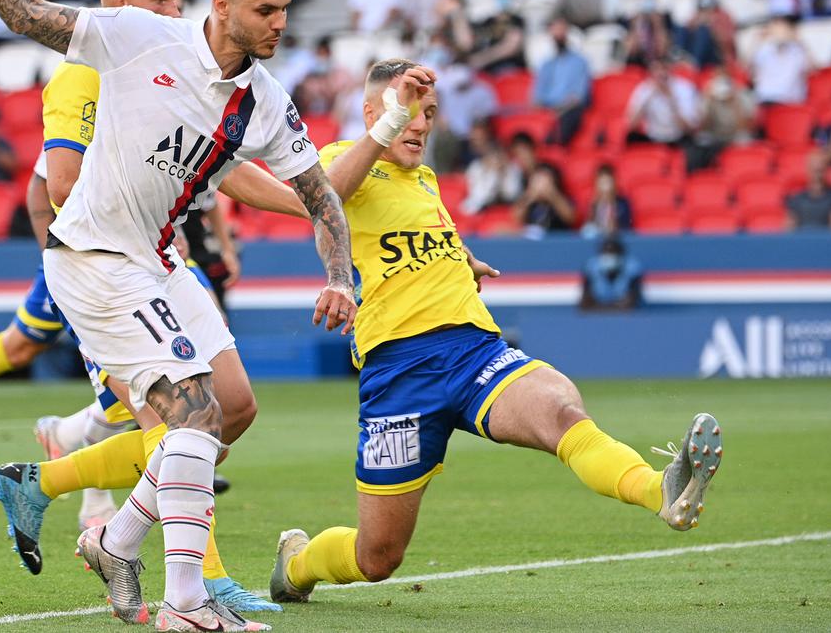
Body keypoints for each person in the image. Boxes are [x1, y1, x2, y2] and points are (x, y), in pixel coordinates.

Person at [0, 0, 356, 630]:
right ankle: (188, 601)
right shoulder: (137, 37)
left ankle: (112, 539)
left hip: (162, 261)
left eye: (284, 8)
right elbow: (23, 12)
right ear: (222, 8)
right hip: (96, 260)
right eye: (265, 10)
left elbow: (318, 194)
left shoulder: (263, 101)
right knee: (190, 414)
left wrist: (340, 278)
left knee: (231, 407)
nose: (280, 23)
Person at [267, 58, 723, 608]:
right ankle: (297, 565)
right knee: (378, 557)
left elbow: (415, 240)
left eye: (429, 113)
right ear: (373, 113)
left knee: (560, 409)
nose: (419, 123)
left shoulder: (426, 181)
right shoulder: (343, 158)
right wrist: (385, 126)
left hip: (472, 349)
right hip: (399, 372)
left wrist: (462, 260)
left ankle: (661, 488)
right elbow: (324, 200)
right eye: (407, 109)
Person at [532, 18, 591, 145]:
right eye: (555, 30)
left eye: (562, 30)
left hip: (568, 111)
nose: (559, 34)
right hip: (548, 111)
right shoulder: (546, 65)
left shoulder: (580, 62)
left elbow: (578, 97)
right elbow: (537, 98)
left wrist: (557, 111)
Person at [626, 56, 702, 146]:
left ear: (671, 69)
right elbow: (631, 125)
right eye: (657, 69)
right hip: (652, 137)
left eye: (664, 68)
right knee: (630, 138)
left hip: (677, 138)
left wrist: (671, 100)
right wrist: (648, 98)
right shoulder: (645, 88)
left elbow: (690, 129)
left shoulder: (685, 88)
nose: (661, 73)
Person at [751, 17, 809, 105]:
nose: (780, 33)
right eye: (776, 29)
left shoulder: (797, 50)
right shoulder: (763, 49)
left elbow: (813, 71)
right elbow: (746, 68)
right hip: (767, 101)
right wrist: (757, 41)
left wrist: (801, 42)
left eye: (783, 29)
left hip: (791, 102)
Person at [786, 151, 831, 230]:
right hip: (803, 241)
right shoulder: (796, 200)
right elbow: (789, 231)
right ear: (807, 170)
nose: (817, 174)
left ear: (826, 170)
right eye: (814, 170)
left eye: (820, 170)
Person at [579, 234, 643, 309]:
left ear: (621, 254)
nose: (609, 256)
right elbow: (585, 303)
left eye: (613, 253)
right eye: (606, 253)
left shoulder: (632, 268)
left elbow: (633, 301)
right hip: (598, 312)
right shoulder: (591, 267)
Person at [515, 163, 577, 237]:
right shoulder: (530, 200)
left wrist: (552, 195)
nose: (541, 185)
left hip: (557, 239)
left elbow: (570, 218)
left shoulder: (562, 199)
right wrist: (530, 196)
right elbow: (516, 217)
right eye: (537, 181)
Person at [582, 164, 632, 236]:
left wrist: (611, 203)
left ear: (614, 183)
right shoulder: (592, 203)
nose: (605, 187)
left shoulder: (623, 204)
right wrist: (593, 207)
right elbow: (587, 229)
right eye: (601, 183)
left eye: (608, 182)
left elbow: (618, 228)